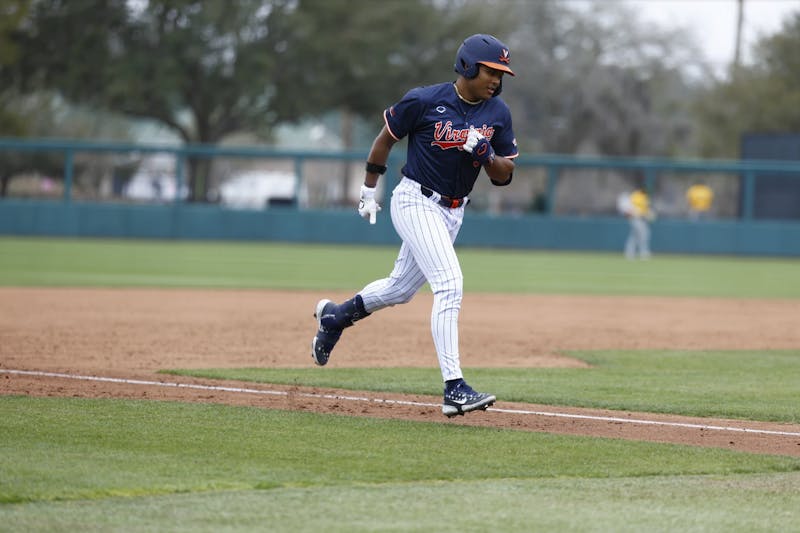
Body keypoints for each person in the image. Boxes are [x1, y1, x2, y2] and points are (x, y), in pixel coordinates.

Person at [311, 34, 518, 417]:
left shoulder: (498, 113)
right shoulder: (424, 100)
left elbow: (505, 174)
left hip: (454, 211)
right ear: (468, 66)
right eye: (491, 70)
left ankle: (335, 317)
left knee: (400, 289)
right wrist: (368, 188)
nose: (496, 79)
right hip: (415, 200)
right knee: (450, 283)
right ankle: (454, 388)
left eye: (501, 73)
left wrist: (487, 153)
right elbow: (384, 140)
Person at [617, 186, 654, 259]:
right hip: (636, 218)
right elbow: (630, 209)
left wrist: (648, 214)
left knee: (634, 236)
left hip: (639, 218)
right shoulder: (636, 196)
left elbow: (644, 209)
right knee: (643, 234)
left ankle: (630, 253)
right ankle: (643, 253)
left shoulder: (641, 196)